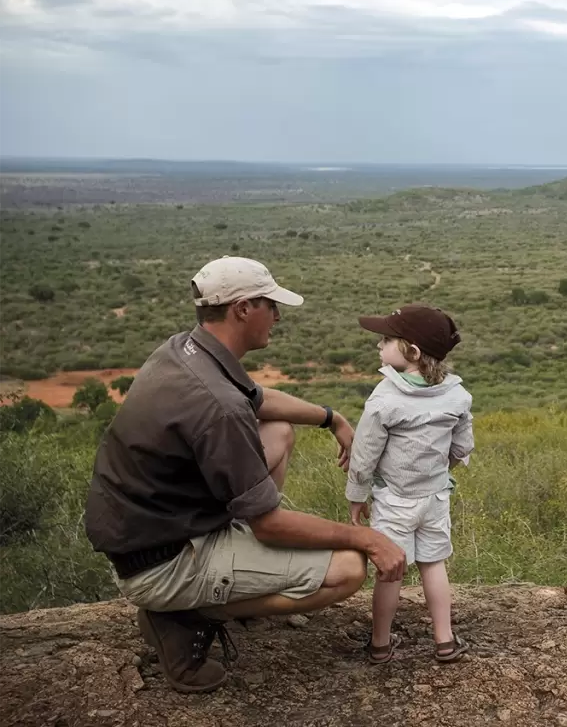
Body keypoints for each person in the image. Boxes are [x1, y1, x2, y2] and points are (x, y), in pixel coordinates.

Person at [84, 256, 406, 694]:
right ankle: (186, 615)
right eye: (269, 304)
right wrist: (368, 538)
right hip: (164, 563)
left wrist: (332, 418)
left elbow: (257, 399)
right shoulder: (217, 406)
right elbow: (270, 524)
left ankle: (212, 584)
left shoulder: (184, 350)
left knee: (277, 431)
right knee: (348, 568)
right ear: (241, 309)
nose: (276, 315)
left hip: (150, 530)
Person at [347, 304, 474, 663]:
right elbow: (463, 446)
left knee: (391, 571)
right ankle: (444, 641)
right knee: (434, 565)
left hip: (394, 501)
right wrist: (438, 469)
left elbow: (364, 455)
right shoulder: (457, 396)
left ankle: (380, 644)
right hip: (435, 496)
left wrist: (357, 496)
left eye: (387, 340)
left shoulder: (385, 399)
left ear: (412, 353)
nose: (379, 345)